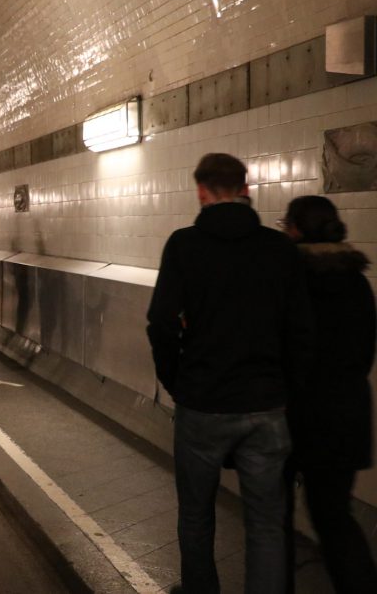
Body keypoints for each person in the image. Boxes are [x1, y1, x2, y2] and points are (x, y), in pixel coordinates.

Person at [146, 153, 313, 594]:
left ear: (202, 191)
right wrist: (286, 391)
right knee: (266, 523)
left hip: (202, 402)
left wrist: (175, 381)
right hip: (266, 404)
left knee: (197, 514)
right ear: (245, 187)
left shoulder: (183, 245)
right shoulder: (280, 249)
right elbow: (301, 330)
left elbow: (161, 321)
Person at [281, 196, 377, 593]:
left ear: (298, 230)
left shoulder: (292, 280)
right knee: (334, 516)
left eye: (286, 224)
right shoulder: (356, 280)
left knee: (273, 515)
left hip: (294, 413)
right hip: (347, 412)